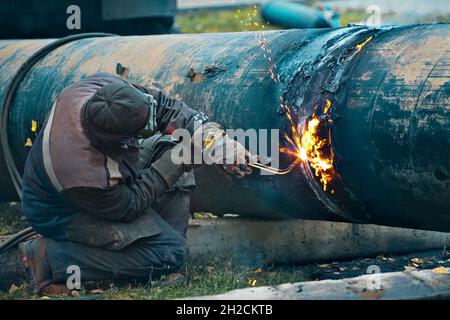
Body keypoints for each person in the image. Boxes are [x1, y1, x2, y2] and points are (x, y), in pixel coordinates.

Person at [0, 73, 252, 295]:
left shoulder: (105, 89)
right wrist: (176, 164)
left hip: (109, 178)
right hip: (63, 212)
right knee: (170, 252)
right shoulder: (84, 171)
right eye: (145, 129)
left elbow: (166, 108)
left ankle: (159, 246)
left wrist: (215, 141)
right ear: (119, 139)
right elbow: (129, 205)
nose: (154, 125)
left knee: (175, 145)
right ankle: (50, 257)